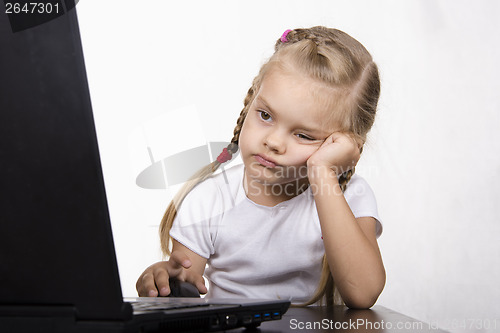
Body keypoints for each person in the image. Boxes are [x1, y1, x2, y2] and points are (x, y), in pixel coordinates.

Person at [136, 26, 386, 309]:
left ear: (344, 145)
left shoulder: (351, 197)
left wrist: (323, 174)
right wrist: (164, 279)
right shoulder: (212, 198)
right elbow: (184, 281)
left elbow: (362, 294)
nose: (273, 142)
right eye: (265, 115)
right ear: (252, 99)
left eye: (303, 135)